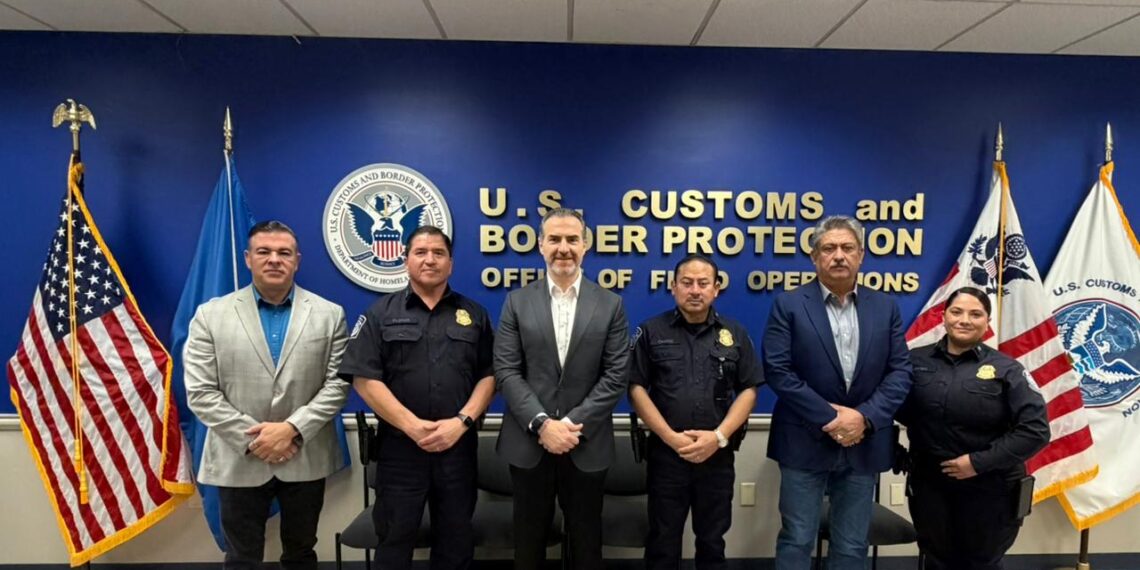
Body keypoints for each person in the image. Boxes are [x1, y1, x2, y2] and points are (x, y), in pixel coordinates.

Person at [184, 220, 349, 570]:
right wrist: (258, 439)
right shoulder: (210, 315)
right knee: (241, 557)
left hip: (304, 453)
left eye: (283, 253)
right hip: (238, 454)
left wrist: (290, 429)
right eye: (264, 252)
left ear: (297, 260)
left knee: (301, 553)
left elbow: (338, 384)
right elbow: (200, 392)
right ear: (248, 258)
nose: (274, 259)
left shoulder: (329, 315)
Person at [337, 226, 495, 570]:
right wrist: (411, 426)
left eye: (438, 253)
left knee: (455, 542)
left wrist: (461, 422)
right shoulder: (379, 314)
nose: (430, 259)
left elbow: (489, 375)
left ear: (451, 264)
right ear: (405, 259)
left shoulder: (475, 315)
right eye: (421, 252)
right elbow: (364, 378)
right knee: (394, 541)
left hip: (457, 450)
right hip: (399, 451)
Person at [762, 215, 913, 570]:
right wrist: (833, 418)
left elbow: (900, 371)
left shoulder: (885, 307)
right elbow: (778, 372)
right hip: (804, 441)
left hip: (865, 442)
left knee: (852, 544)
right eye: (828, 248)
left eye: (848, 248)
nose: (839, 256)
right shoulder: (789, 304)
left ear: (861, 255)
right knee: (797, 538)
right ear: (815, 258)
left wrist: (864, 418)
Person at [494, 207, 630, 569]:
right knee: (528, 544)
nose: (564, 248)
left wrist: (568, 426)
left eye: (572, 239)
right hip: (528, 443)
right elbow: (506, 370)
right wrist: (542, 424)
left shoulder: (611, 304)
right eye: (554, 239)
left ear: (585, 245)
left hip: (585, 443)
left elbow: (616, 374)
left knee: (587, 545)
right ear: (541, 245)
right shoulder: (516, 302)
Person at [898, 286, 1049, 570]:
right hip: (931, 485)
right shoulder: (913, 362)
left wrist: (977, 463)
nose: (964, 319)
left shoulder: (1008, 370)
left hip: (990, 488)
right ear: (943, 317)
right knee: (936, 559)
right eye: (956, 312)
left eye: (975, 314)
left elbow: (1036, 431)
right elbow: (890, 408)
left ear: (987, 323)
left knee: (980, 562)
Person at [628, 254, 762, 570]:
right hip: (666, 455)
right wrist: (671, 438)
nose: (695, 290)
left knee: (712, 541)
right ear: (673, 287)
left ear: (716, 289)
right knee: (662, 541)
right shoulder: (650, 331)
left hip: (717, 455)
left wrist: (718, 437)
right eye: (686, 283)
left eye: (703, 283)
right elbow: (635, 389)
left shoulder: (735, 333)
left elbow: (749, 389)